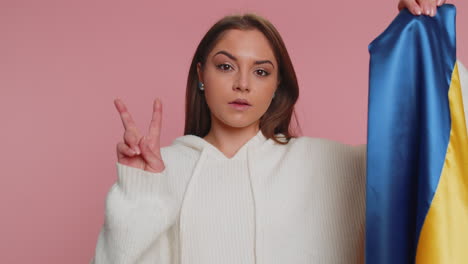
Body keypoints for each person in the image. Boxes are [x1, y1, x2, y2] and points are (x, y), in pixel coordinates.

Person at [91, 0, 446, 263]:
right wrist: (138, 193)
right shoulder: (161, 168)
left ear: (278, 85)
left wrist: (425, 34)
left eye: (261, 71)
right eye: (226, 66)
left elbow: (438, 151)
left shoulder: (334, 165)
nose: (242, 84)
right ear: (201, 75)